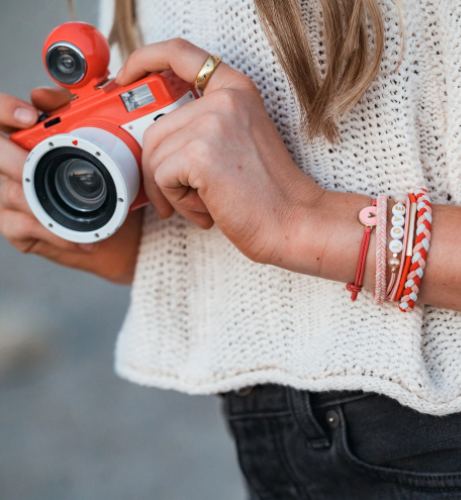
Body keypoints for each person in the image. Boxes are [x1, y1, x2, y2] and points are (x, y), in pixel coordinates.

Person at [2, 0, 461, 497]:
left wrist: (301, 221)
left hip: (438, 424)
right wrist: (101, 227)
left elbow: (278, 215)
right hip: (265, 425)